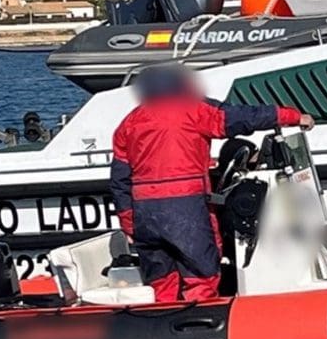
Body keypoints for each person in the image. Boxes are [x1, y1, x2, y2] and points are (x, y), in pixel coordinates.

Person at [110, 63, 314, 303]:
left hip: (145, 215)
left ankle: (163, 321)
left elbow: (119, 180)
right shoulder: (193, 109)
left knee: (162, 280)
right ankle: (201, 322)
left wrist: (128, 223)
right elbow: (242, 118)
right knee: (202, 274)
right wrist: (292, 116)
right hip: (185, 210)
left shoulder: (129, 123)